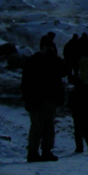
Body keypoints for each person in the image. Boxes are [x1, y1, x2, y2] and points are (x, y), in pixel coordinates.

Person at [20, 33, 67, 162]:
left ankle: (46, 151)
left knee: (48, 126)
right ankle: (34, 152)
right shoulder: (35, 60)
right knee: (37, 126)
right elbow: (26, 82)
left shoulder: (51, 61)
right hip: (38, 98)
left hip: (49, 99)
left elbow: (64, 70)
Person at [65, 75, 88, 154]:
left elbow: (69, 105)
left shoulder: (74, 94)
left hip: (77, 114)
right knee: (87, 131)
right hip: (87, 114)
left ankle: (79, 148)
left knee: (78, 132)